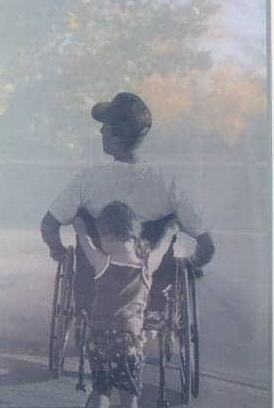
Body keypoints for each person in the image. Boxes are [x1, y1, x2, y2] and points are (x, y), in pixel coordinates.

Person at [40, 92, 215, 310]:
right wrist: (192, 264)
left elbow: (49, 225)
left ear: (115, 135)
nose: (101, 130)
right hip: (153, 291)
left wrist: (58, 251)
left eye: (106, 126)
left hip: (94, 288)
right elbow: (207, 247)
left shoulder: (86, 181)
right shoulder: (168, 184)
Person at [72, 202, 176, 408]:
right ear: (133, 233)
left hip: (98, 339)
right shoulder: (146, 264)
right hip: (128, 341)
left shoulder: (102, 261)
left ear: (106, 235)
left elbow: (84, 240)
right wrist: (171, 229)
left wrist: (80, 224)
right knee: (129, 395)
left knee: (102, 386)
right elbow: (162, 246)